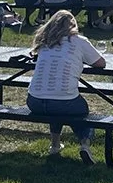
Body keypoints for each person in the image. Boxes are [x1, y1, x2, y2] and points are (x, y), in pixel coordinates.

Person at [26, 11, 105, 164]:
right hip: (64, 102)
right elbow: (100, 63)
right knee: (81, 113)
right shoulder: (79, 41)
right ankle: (85, 144)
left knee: (54, 101)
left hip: (34, 101)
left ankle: (55, 145)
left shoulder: (44, 42)